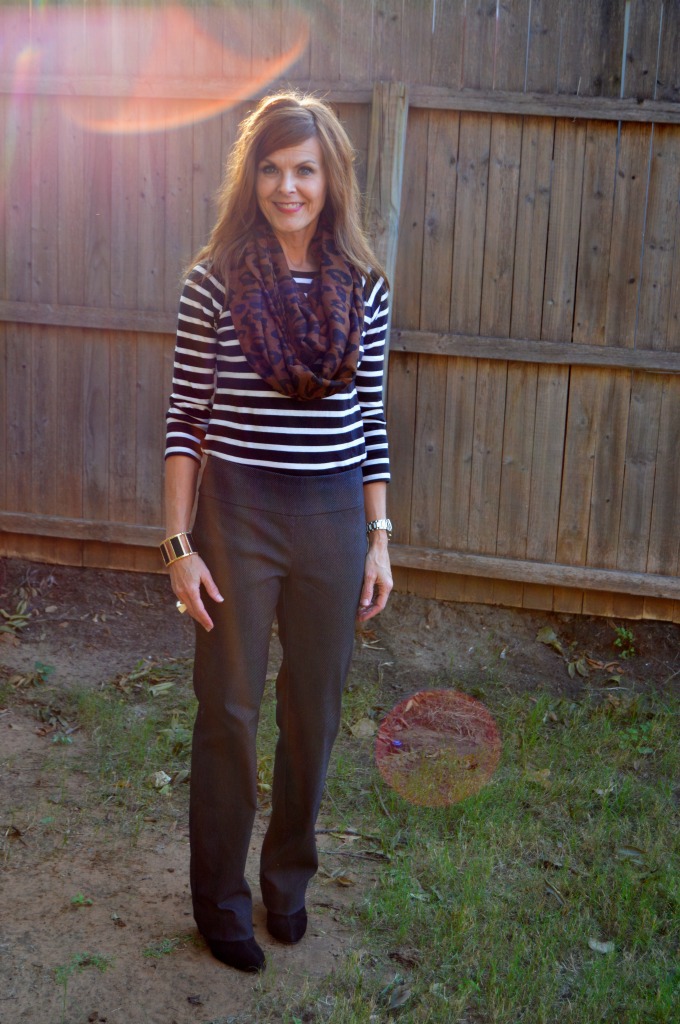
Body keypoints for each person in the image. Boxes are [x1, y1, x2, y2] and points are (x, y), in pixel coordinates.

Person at [161, 91, 393, 974]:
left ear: (330, 177)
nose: (286, 187)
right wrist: (179, 549)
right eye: (270, 168)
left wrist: (378, 536)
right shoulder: (211, 281)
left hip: (335, 517)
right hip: (238, 517)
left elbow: (370, 418)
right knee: (227, 711)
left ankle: (286, 883)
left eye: (303, 169)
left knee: (315, 711)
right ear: (249, 176)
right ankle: (219, 902)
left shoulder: (365, 284)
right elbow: (186, 421)